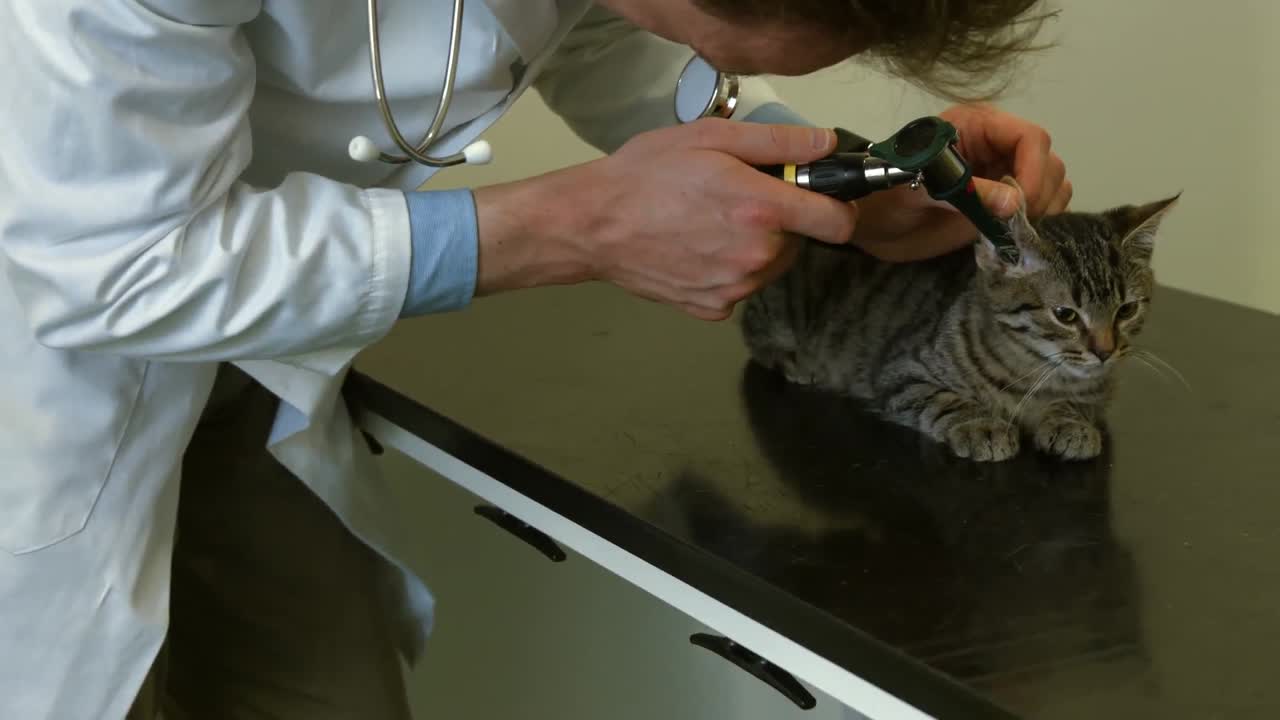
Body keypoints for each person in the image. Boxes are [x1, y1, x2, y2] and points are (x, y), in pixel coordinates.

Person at [0, 0, 1071, 717]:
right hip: (42, 378)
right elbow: (112, 264)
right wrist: (569, 230)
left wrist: (833, 182)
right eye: (732, 51)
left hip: (253, 364)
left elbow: (599, 36)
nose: (725, 74)